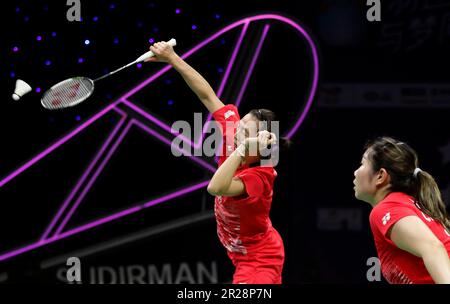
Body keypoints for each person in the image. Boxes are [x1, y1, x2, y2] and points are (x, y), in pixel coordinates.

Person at [146, 41, 287, 284]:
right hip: (240, 252)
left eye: (244, 131)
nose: (235, 131)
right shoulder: (235, 135)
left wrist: (242, 148)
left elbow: (216, 187)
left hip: (258, 259)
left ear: (258, 147)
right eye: (240, 123)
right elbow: (207, 95)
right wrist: (172, 59)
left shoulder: (259, 178)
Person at [353, 136, 450, 284]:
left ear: (380, 176)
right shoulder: (405, 204)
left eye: (362, 163)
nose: (355, 172)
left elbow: (433, 247)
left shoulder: (387, 208)